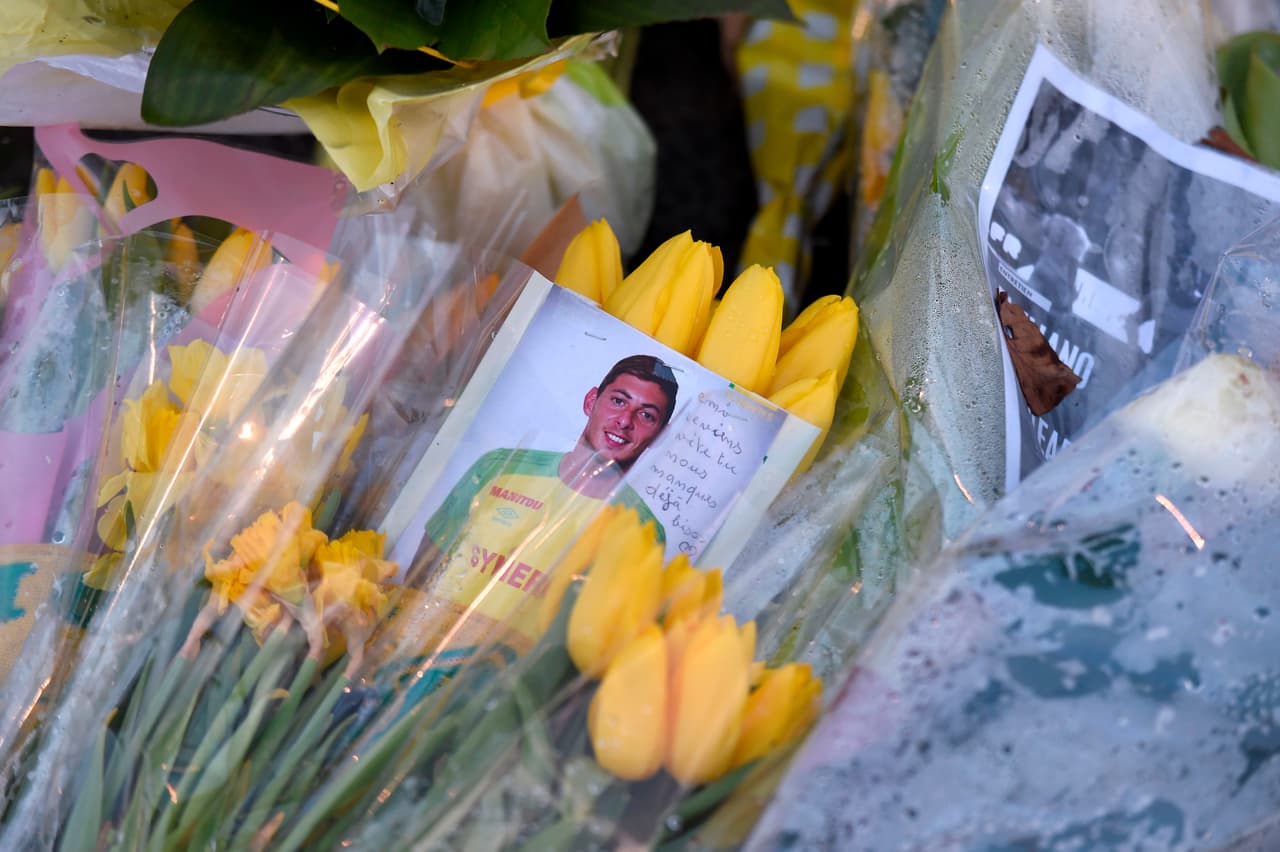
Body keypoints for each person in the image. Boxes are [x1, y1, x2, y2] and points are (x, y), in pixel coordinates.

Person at [406, 355, 679, 643]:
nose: (625, 421)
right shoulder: (502, 466)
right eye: (619, 401)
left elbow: (598, 639)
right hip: (421, 649)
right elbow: (424, 566)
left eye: (647, 415)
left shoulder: (642, 530)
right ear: (591, 401)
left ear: (659, 435)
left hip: (499, 683)